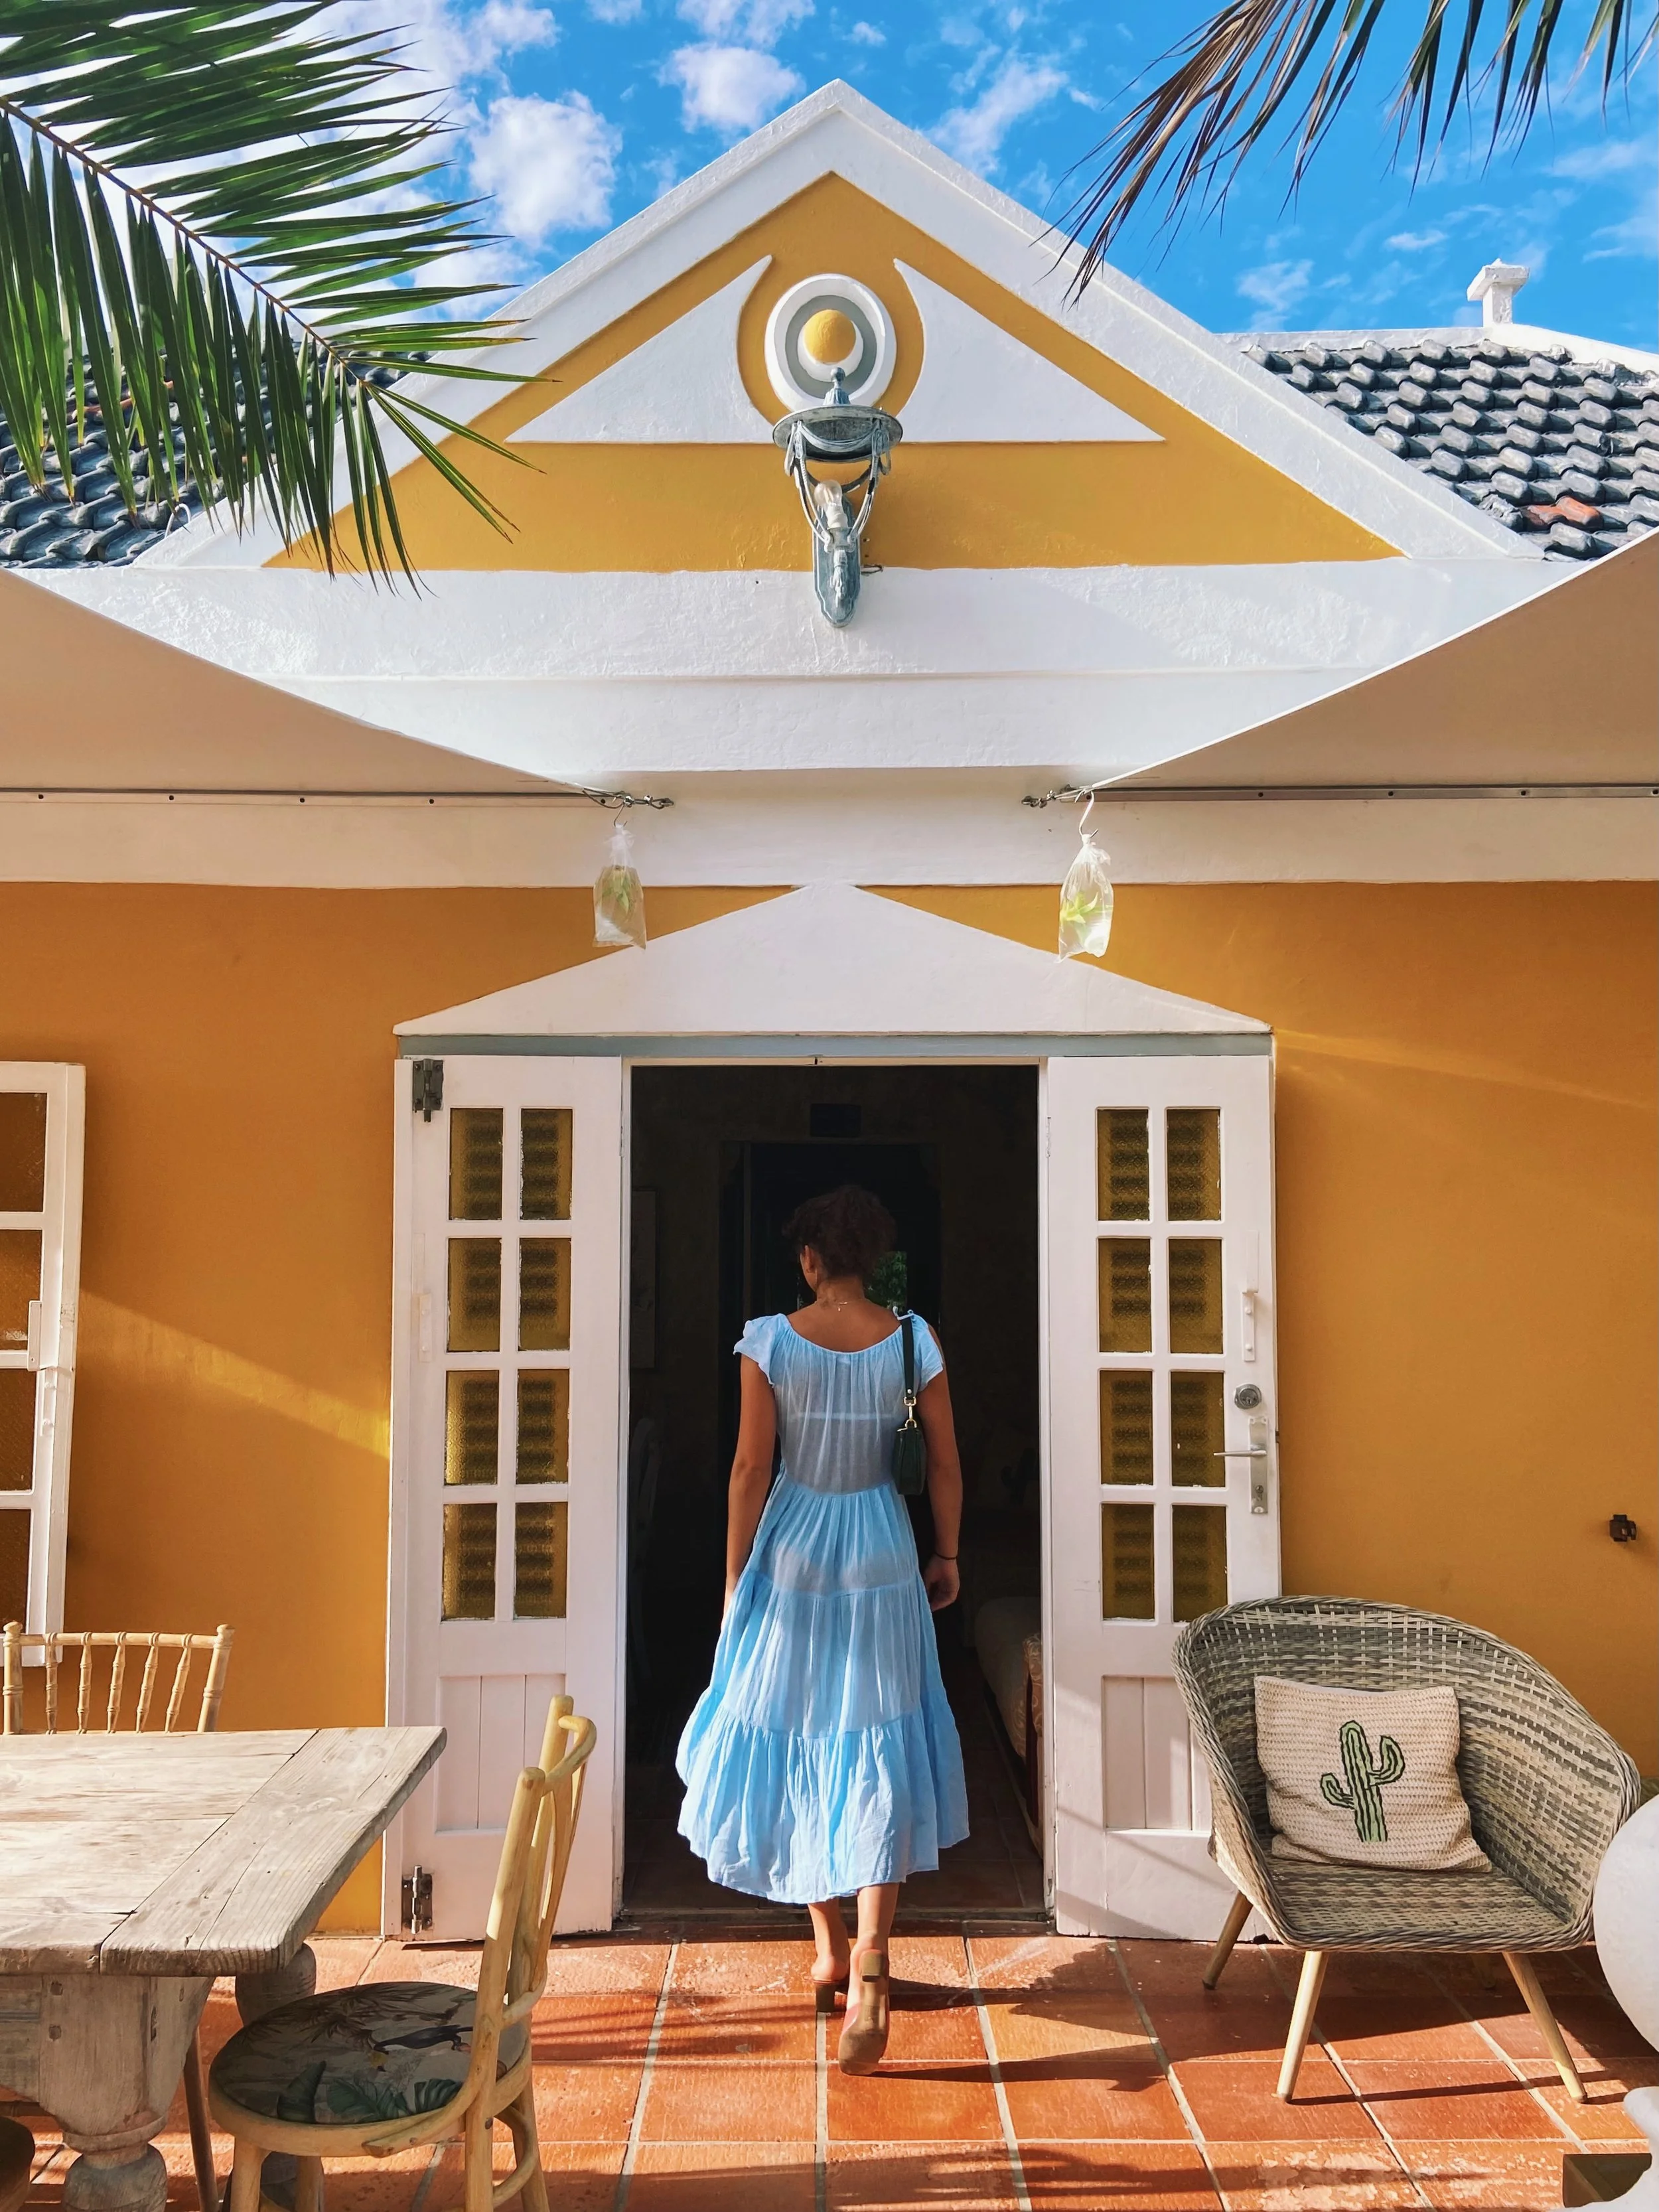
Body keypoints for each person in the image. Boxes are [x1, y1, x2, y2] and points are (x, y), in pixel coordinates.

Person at [676, 1183, 969, 2073]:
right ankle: (873, 1960)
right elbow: (947, 1464)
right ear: (874, 1259)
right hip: (880, 1547)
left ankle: (830, 1946)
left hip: (796, 1551)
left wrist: (734, 1579)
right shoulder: (914, 1341)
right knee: (873, 1738)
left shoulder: (770, 1341)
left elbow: (750, 1465)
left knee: (796, 1733)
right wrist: (946, 1554)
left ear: (809, 1258)